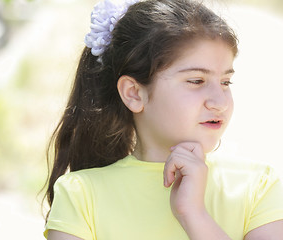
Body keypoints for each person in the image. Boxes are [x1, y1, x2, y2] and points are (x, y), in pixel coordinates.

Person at [43, 0, 283, 239]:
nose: (219, 102)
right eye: (196, 81)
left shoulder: (257, 187)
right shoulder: (80, 195)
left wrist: (194, 215)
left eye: (225, 82)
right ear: (134, 93)